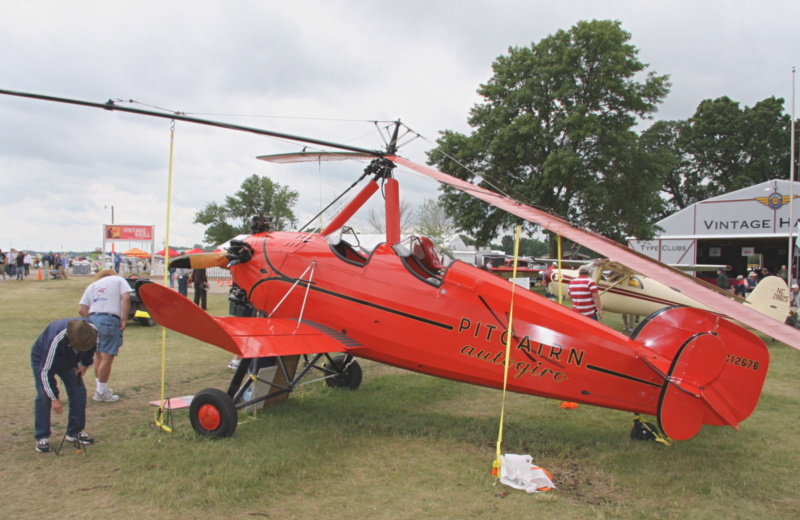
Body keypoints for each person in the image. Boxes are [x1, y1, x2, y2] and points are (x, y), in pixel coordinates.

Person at [31, 319, 98, 453]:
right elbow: (45, 371)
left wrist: (84, 364)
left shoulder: (92, 333)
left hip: (69, 361)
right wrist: (54, 398)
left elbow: (92, 350)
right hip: (43, 360)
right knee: (44, 396)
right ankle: (42, 436)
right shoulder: (55, 339)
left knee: (79, 392)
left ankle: (74, 432)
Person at [78, 269, 133, 402]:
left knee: (98, 355)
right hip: (110, 319)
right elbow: (126, 297)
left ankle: (99, 388)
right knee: (107, 357)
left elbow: (82, 309)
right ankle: (101, 391)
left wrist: (93, 320)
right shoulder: (119, 280)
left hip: (93, 319)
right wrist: (124, 319)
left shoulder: (92, 286)